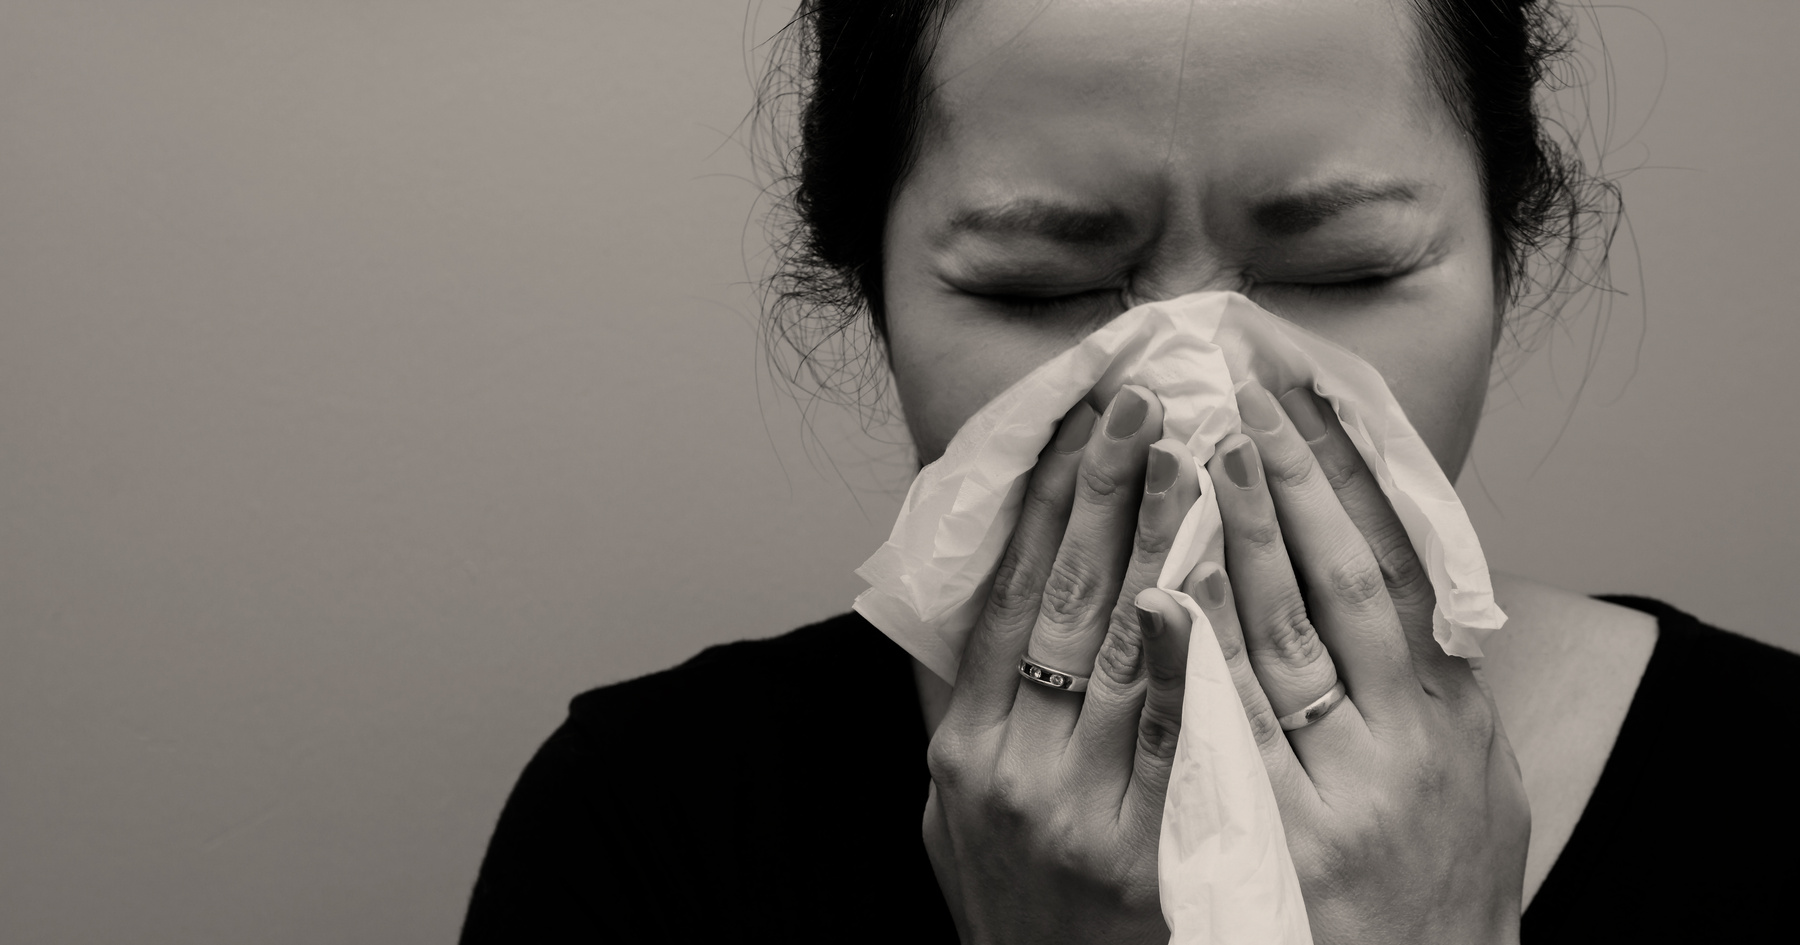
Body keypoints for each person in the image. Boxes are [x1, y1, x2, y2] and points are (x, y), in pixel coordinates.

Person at [460, 0, 1799, 941]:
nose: (1191, 396)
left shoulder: (1767, 791)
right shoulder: (651, 829)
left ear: (1507, 254)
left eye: (1341, 271)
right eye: (1045, 284)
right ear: (872, 285)